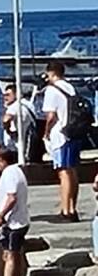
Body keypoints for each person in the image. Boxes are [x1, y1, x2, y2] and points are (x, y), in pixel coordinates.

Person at [42, 61, 81, 222]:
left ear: (52, 73)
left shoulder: (51, 90)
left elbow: (51, 116)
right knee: (72, 170)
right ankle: (73, 206)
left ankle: (66, 210)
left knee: (63, 172)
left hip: (60, 135)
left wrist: (46, 133)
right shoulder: (70, 87)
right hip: (74, 131)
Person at [0, 149, 30, 276]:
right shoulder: (17, 172)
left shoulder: (9, 174)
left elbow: (11, 197)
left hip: (14, 222)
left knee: (10, 255)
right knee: (16, 254)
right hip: (18, 220)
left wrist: (1, 215)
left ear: (4, 161)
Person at [1, 84, 42, 162]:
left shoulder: (14, 106)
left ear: (17, 94)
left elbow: (6, 119)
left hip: (17, 148)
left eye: (8, 95)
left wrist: (8, 130)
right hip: (29, 145)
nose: (5, 98)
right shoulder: (29, 105)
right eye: (4, 95)